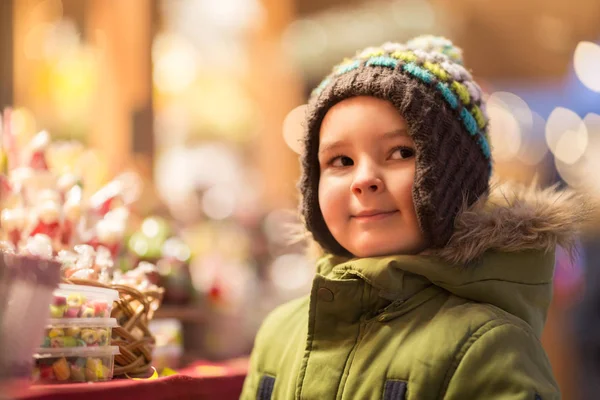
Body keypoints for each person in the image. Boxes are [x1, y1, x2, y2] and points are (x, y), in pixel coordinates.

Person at [240, 35, 590, 400]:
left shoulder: (487, 346)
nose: (363, 180)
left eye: (400, 152)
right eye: (341, 161)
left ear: (456, 178)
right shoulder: (279, 334)